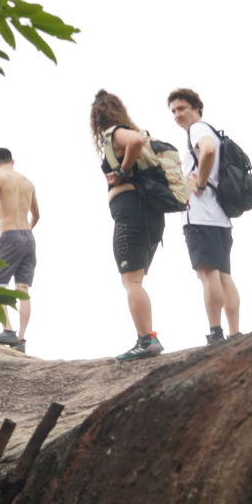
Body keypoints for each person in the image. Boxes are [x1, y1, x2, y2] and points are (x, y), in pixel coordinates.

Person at [90, 89, 165, 360]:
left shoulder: (115, 132)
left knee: (131, 281)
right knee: (136, 279)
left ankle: (147, 339)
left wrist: (121, 172)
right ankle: (147, 337)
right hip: (149, 216)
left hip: (132, 214)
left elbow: (134, 141)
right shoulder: (125, 130)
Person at [169, 87, 241, 344]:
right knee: (223, 275)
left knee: (208, 274)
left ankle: (216, 333)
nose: (177, 115)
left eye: (181, 108)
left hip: (200, 215)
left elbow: (207, 150)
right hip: (220, 216)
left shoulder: (198, 130)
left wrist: (198, 183)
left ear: (196, 108)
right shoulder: (207, 130)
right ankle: (235, 332)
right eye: (173, 111)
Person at [0, 147, 39, 353]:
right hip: (28, 238)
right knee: (22, 289)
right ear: (13, 161)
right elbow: (37, 215)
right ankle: (21, 339)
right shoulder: (28, 182)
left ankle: (8, 330)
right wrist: (26, 233)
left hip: (10, 236)